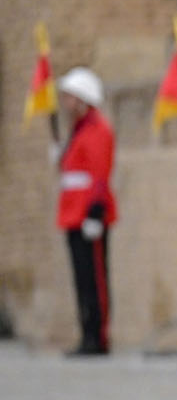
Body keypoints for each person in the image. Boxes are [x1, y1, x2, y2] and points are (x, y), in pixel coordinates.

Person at [55, 67, 116, 357]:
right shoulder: (78, 130)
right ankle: (86, 333)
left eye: (69, 97)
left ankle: (98, 336)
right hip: (72, 213)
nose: (65, 103)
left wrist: (94, 212)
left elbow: (99, 174)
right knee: (81, 278)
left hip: (89, 214)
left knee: (95, 279)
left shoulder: (97, 129)